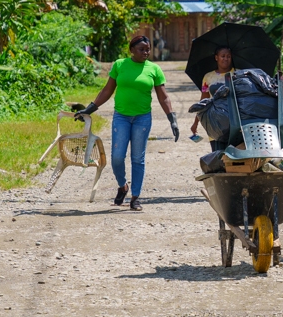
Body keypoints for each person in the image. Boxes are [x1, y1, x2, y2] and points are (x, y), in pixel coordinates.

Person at [75, 35, 179, 212]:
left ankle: (135, 198)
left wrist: (172, 119)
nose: (146, 52)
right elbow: (107, 90)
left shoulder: (154, 69)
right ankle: (123, 186)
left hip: (142, 119)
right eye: (142, 49)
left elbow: (164, 97)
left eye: (148, 49)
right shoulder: (120, 65)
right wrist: (90, 109)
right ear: (131, 50)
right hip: (121, 117)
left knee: (138, 159)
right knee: (117, 157)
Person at [190, 45, 234, 139]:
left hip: (235, 121)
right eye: (223, 56)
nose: (226, 59)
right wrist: (195, 123)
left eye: (228, 56)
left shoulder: (238, 74)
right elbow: (204, 101)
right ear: (216, 57)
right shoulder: (208, 77)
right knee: (217, 152)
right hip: (214, 123)